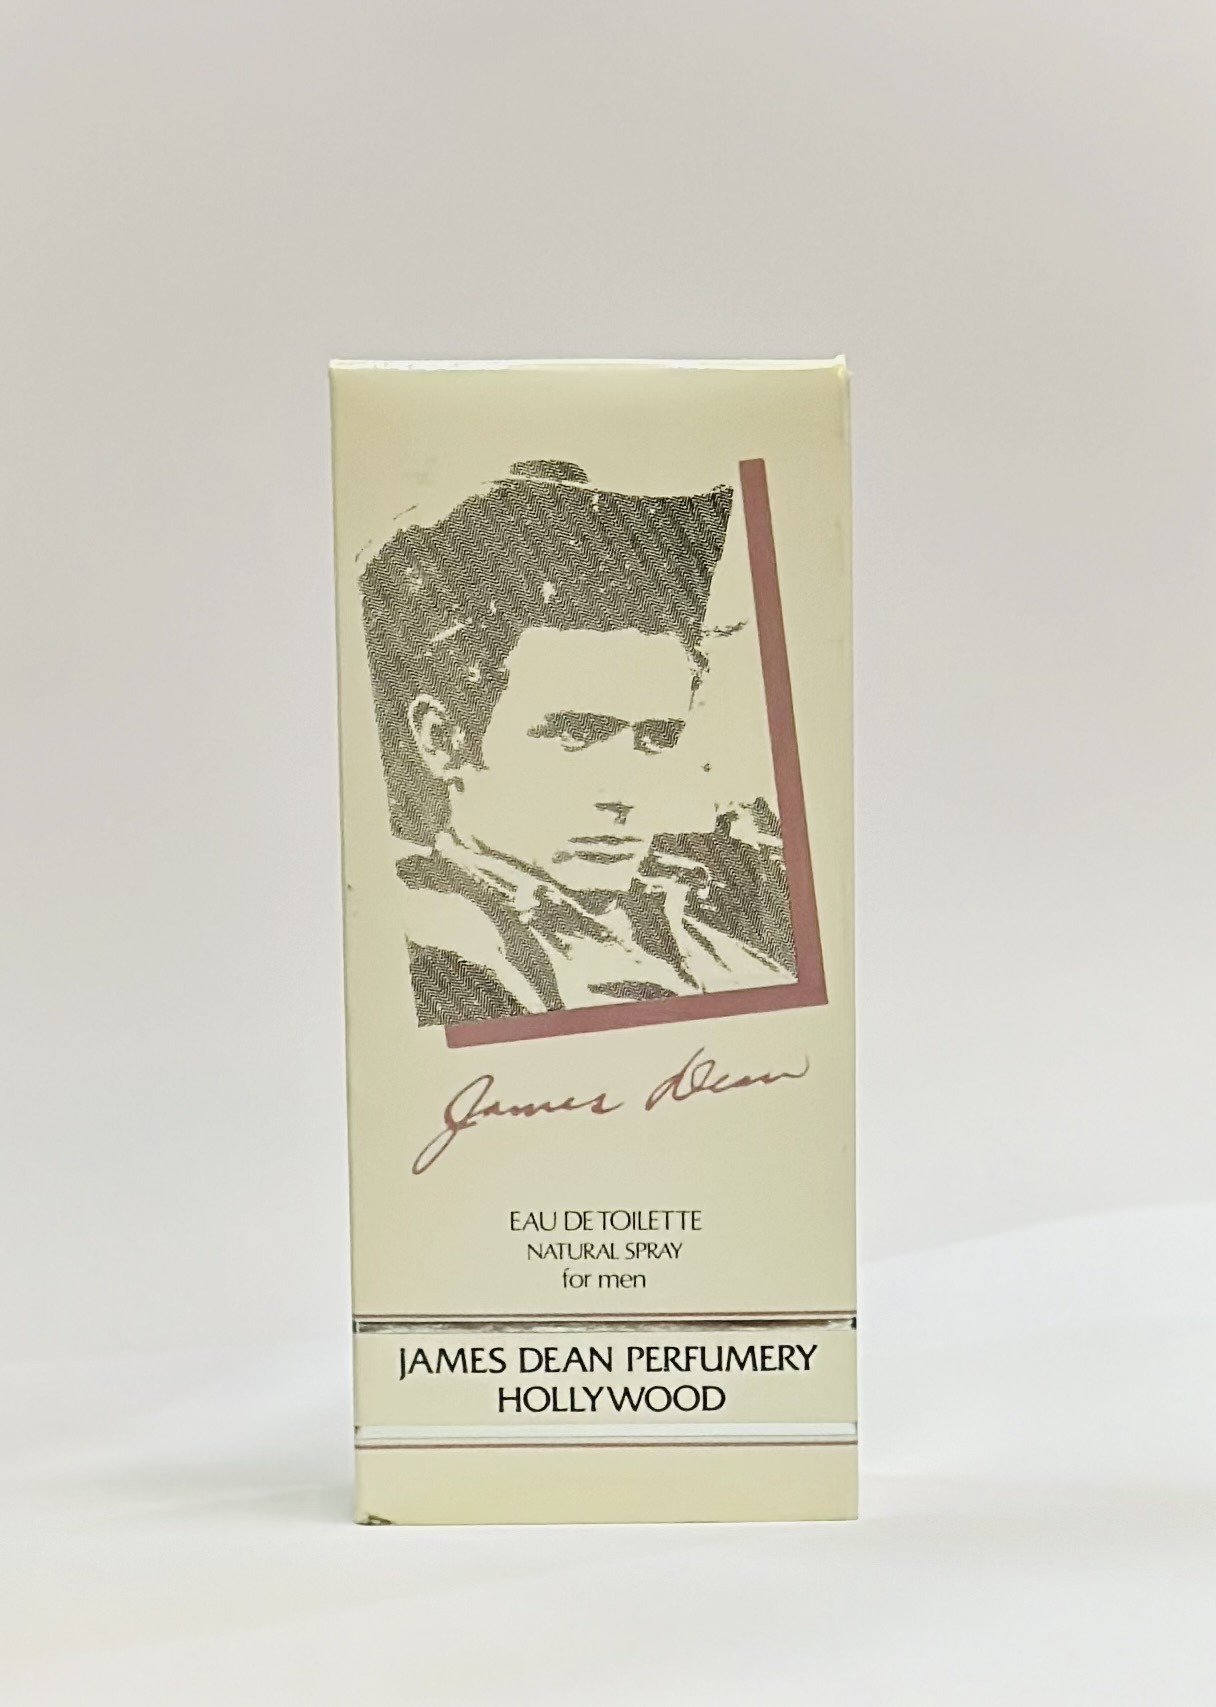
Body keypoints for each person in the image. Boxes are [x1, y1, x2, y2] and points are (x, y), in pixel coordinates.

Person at [360, 459, 795, 1025]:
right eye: (575, 734)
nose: (624, 795)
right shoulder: (428, 948)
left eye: (656, 738)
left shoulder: (719, 937)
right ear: (444, 742)